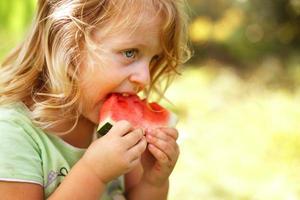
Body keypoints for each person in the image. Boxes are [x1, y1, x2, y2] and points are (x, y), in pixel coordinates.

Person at [0, 0, 190, 199]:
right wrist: (94, 173)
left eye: (154, 58)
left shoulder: (118, 130)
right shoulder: (13, 133)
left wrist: (153, 182)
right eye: (130, 52)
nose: (145, 78)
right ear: (69, 45)